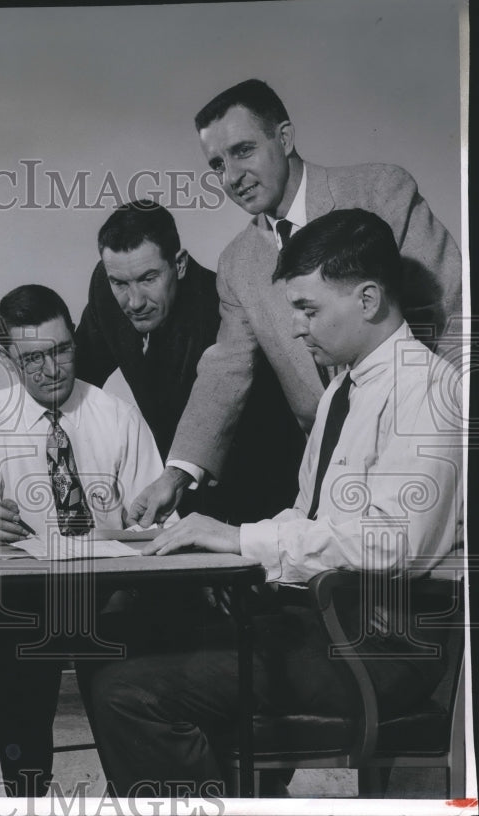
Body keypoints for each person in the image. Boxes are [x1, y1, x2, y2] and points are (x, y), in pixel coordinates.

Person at [89, 209, 463, 796]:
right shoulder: (345, 388)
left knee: (128, 693)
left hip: (381, 647)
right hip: (327, 626)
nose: (293, 328)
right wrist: (218, 540)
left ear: (368, 299)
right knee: (143, 646)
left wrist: (239, 540)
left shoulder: (434, 391)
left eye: (307, 309)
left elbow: (389, 542)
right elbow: (308, 516)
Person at [132, 79, 462, 528]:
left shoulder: (382, 191)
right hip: (326, 477)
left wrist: (445, 433)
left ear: (284, 138)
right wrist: (177, 472)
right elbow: (226, 370)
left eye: (243, 150)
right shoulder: (237, 263)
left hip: (429, 444)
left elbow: (449, 307)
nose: (231, 177)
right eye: (216, 164)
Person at [0, 284, 167, 796]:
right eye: (32, 358)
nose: (51, 369)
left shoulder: (116, 414)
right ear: (6, 357)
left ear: (74, 340)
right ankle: (27, 794)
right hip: (26, 601)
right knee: (7, 650)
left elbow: (157, 517)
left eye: (61, 350)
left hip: (110, 595)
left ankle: (140, 794)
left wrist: (142, 526)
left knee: (139, 679)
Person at [75, 199, 306, 523]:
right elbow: (75, 381)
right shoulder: (105, 289)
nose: (135, 301)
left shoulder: (223, 311)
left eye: (149, 278)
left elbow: (251, 434)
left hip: (267, 491)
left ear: (179, 264)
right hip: (177, 497)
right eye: (120, 283)